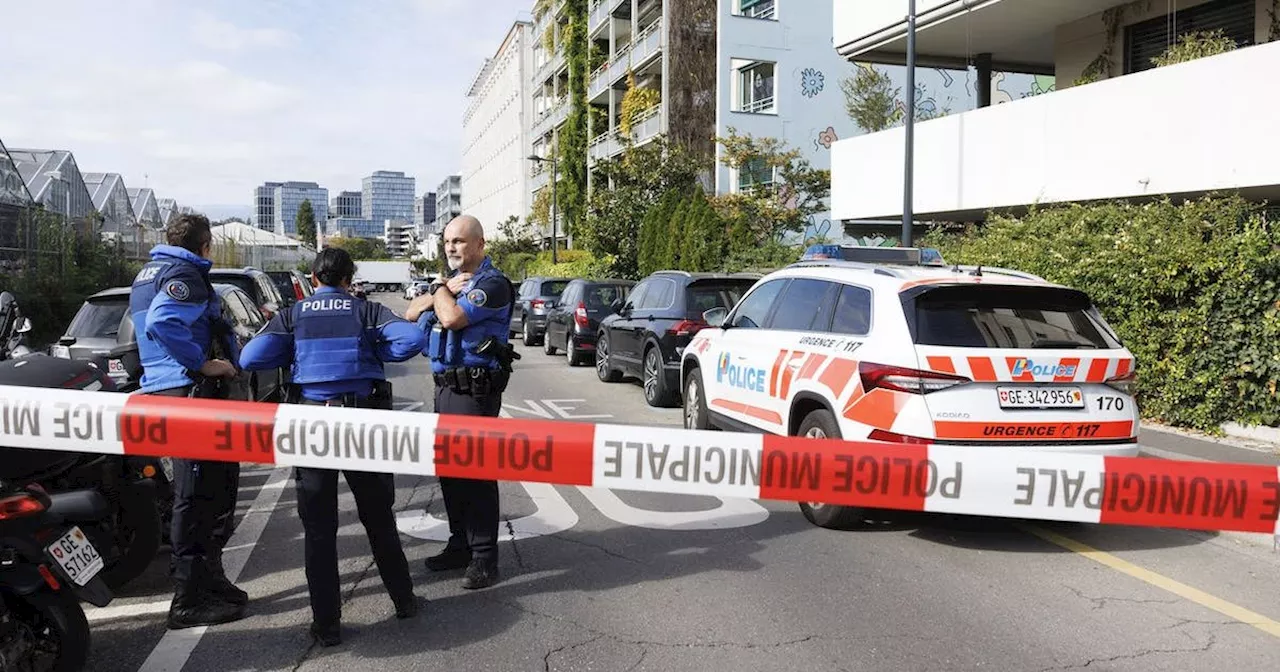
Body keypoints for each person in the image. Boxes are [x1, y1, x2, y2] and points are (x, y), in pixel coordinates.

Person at [239, 247, 424, 647]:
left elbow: (250, 356)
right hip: (361, 424)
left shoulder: (294, 314)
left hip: (311, 425)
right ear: (348, 278)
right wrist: (377, 351)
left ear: (314, 276)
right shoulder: (366, 311)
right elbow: (412, 338)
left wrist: (293, 351)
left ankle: (327, 626)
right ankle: (404, 601)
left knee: (319, 530)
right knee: (378, 517)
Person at [128, 213, 245, 630]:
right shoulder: (184, 273)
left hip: (174, 392)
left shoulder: (148, 273)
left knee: (212, 491)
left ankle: (210, 581)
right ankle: (188, 599)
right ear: (206, 243)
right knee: (196, 498)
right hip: (190, 391)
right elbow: (164, 321)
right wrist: (202, 363)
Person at [404, 214, 514, 590]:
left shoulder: (492, 284)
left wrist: (439, 289)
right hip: (447, 388)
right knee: (450, 471)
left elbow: (449, 318)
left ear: (480, 245)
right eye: (448, 242)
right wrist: (442, 287)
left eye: (460, 241)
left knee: (477, 473)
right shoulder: (451, 284)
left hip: (476, 390)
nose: (452, 247)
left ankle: (484, 557)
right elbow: (410, 312)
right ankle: (459, 544)